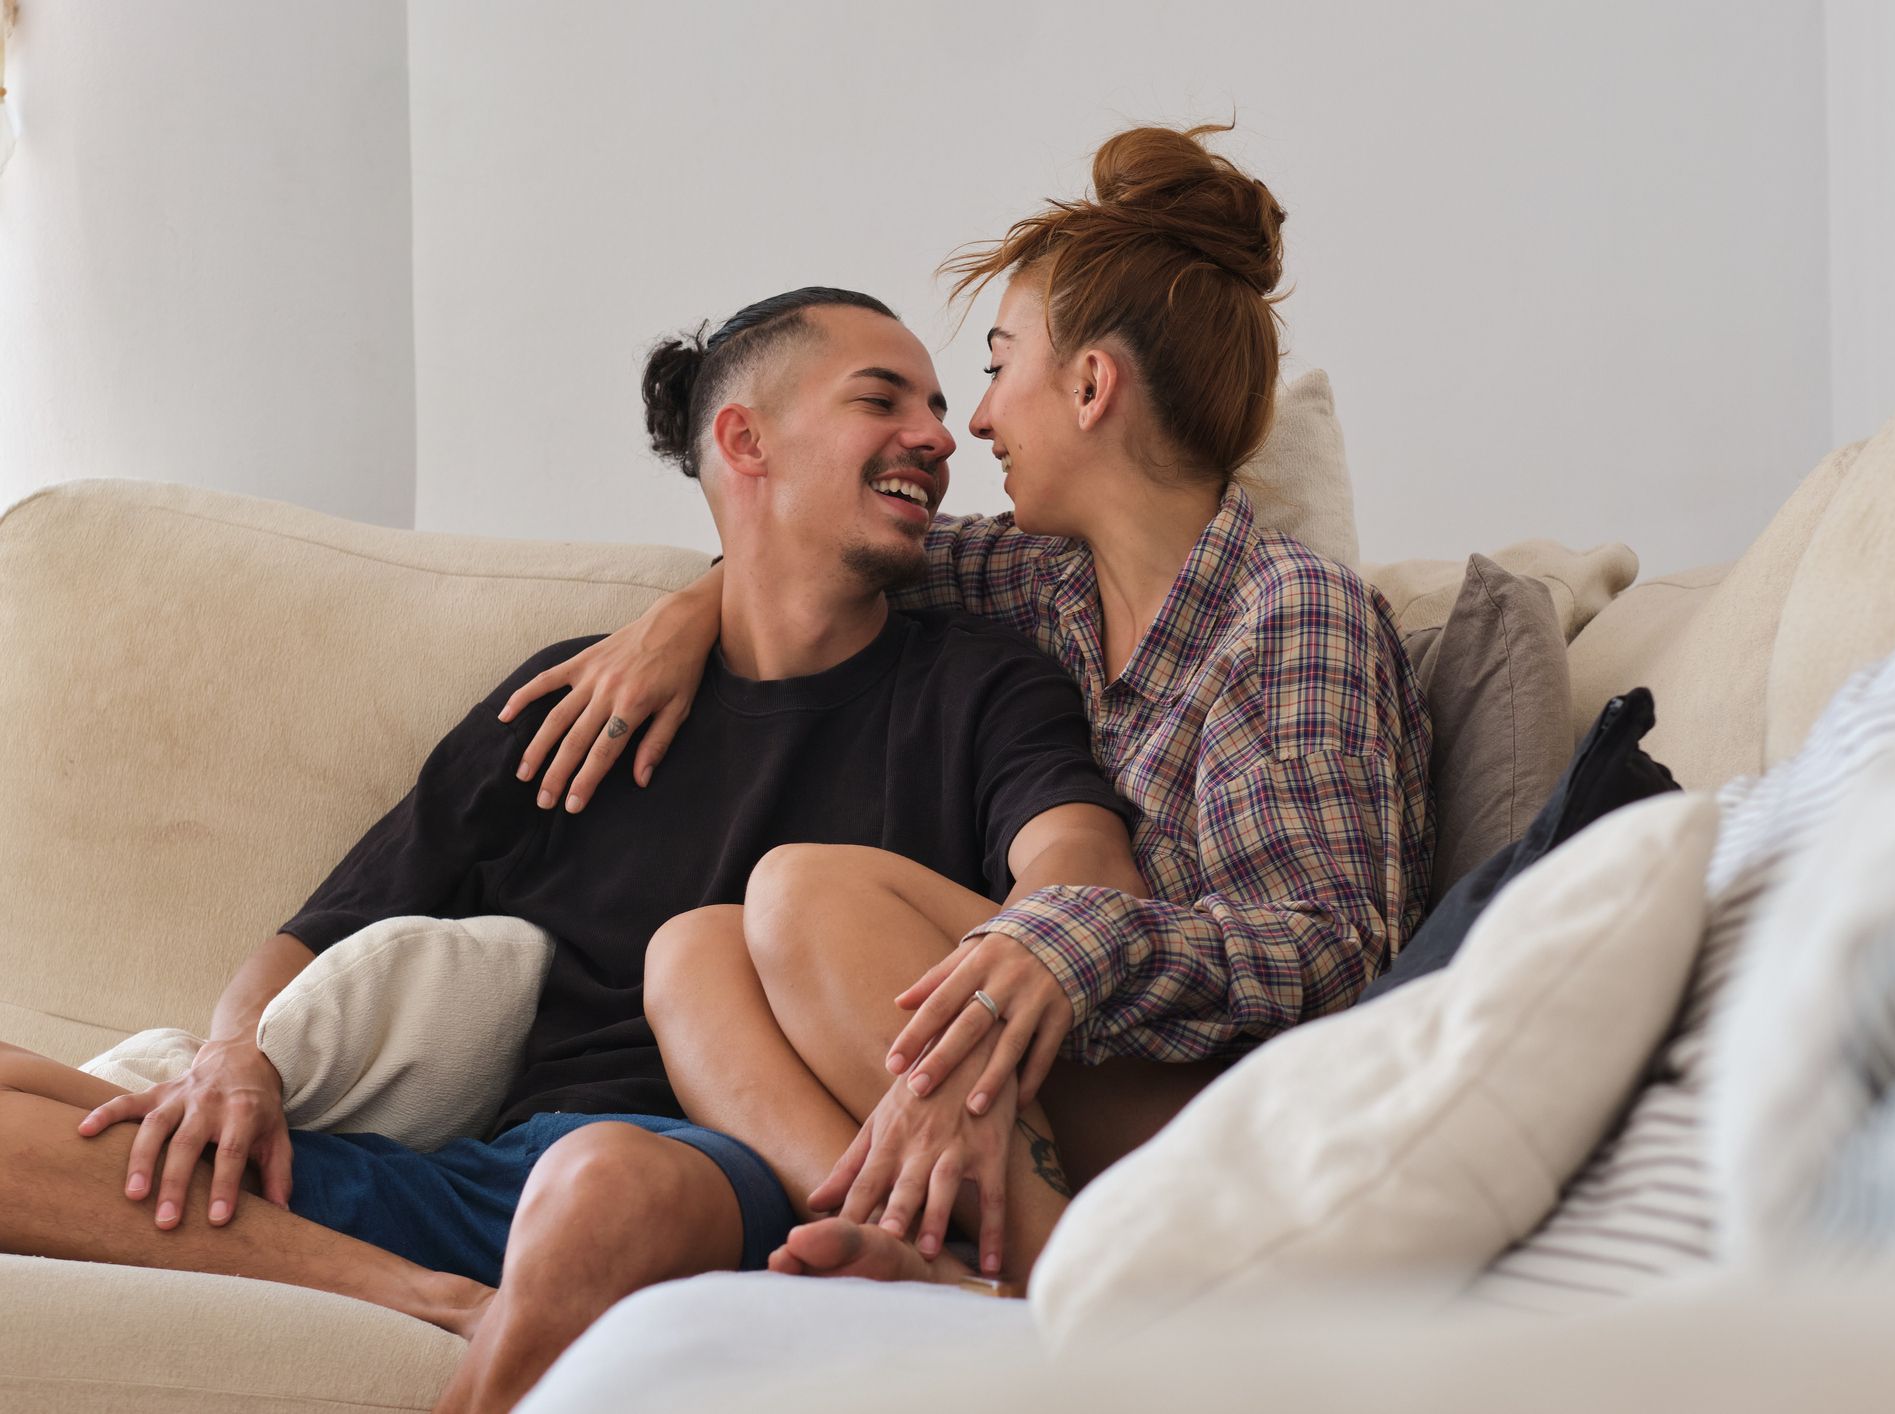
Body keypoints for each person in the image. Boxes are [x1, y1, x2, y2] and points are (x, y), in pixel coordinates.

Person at [0, 286, 1142, 1414]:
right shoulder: (571, 703)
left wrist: (1027, 950)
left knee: (605, 1177)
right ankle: (434, 1297)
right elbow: (314, 935)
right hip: (495, 1174)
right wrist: (233, 1055)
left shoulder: (980, 685)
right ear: (745, 440)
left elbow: (1080, 857)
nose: (941, 437)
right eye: (882, 399)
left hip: (716, 1171)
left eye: (942, 405)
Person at [504, 123, 1436, 1289]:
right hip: (1082, 1084)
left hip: (1248, 1114)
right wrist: (675, 620)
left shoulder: (1291, 616)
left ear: (1092, 386)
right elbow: (815, 548)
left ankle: (1077, 1301)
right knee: (691, 947)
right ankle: (934, 1250)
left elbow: (1330, 948)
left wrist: (1066, 940)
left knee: (803, 886)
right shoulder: (1046, 581)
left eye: (999, 367)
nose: (975, 424)